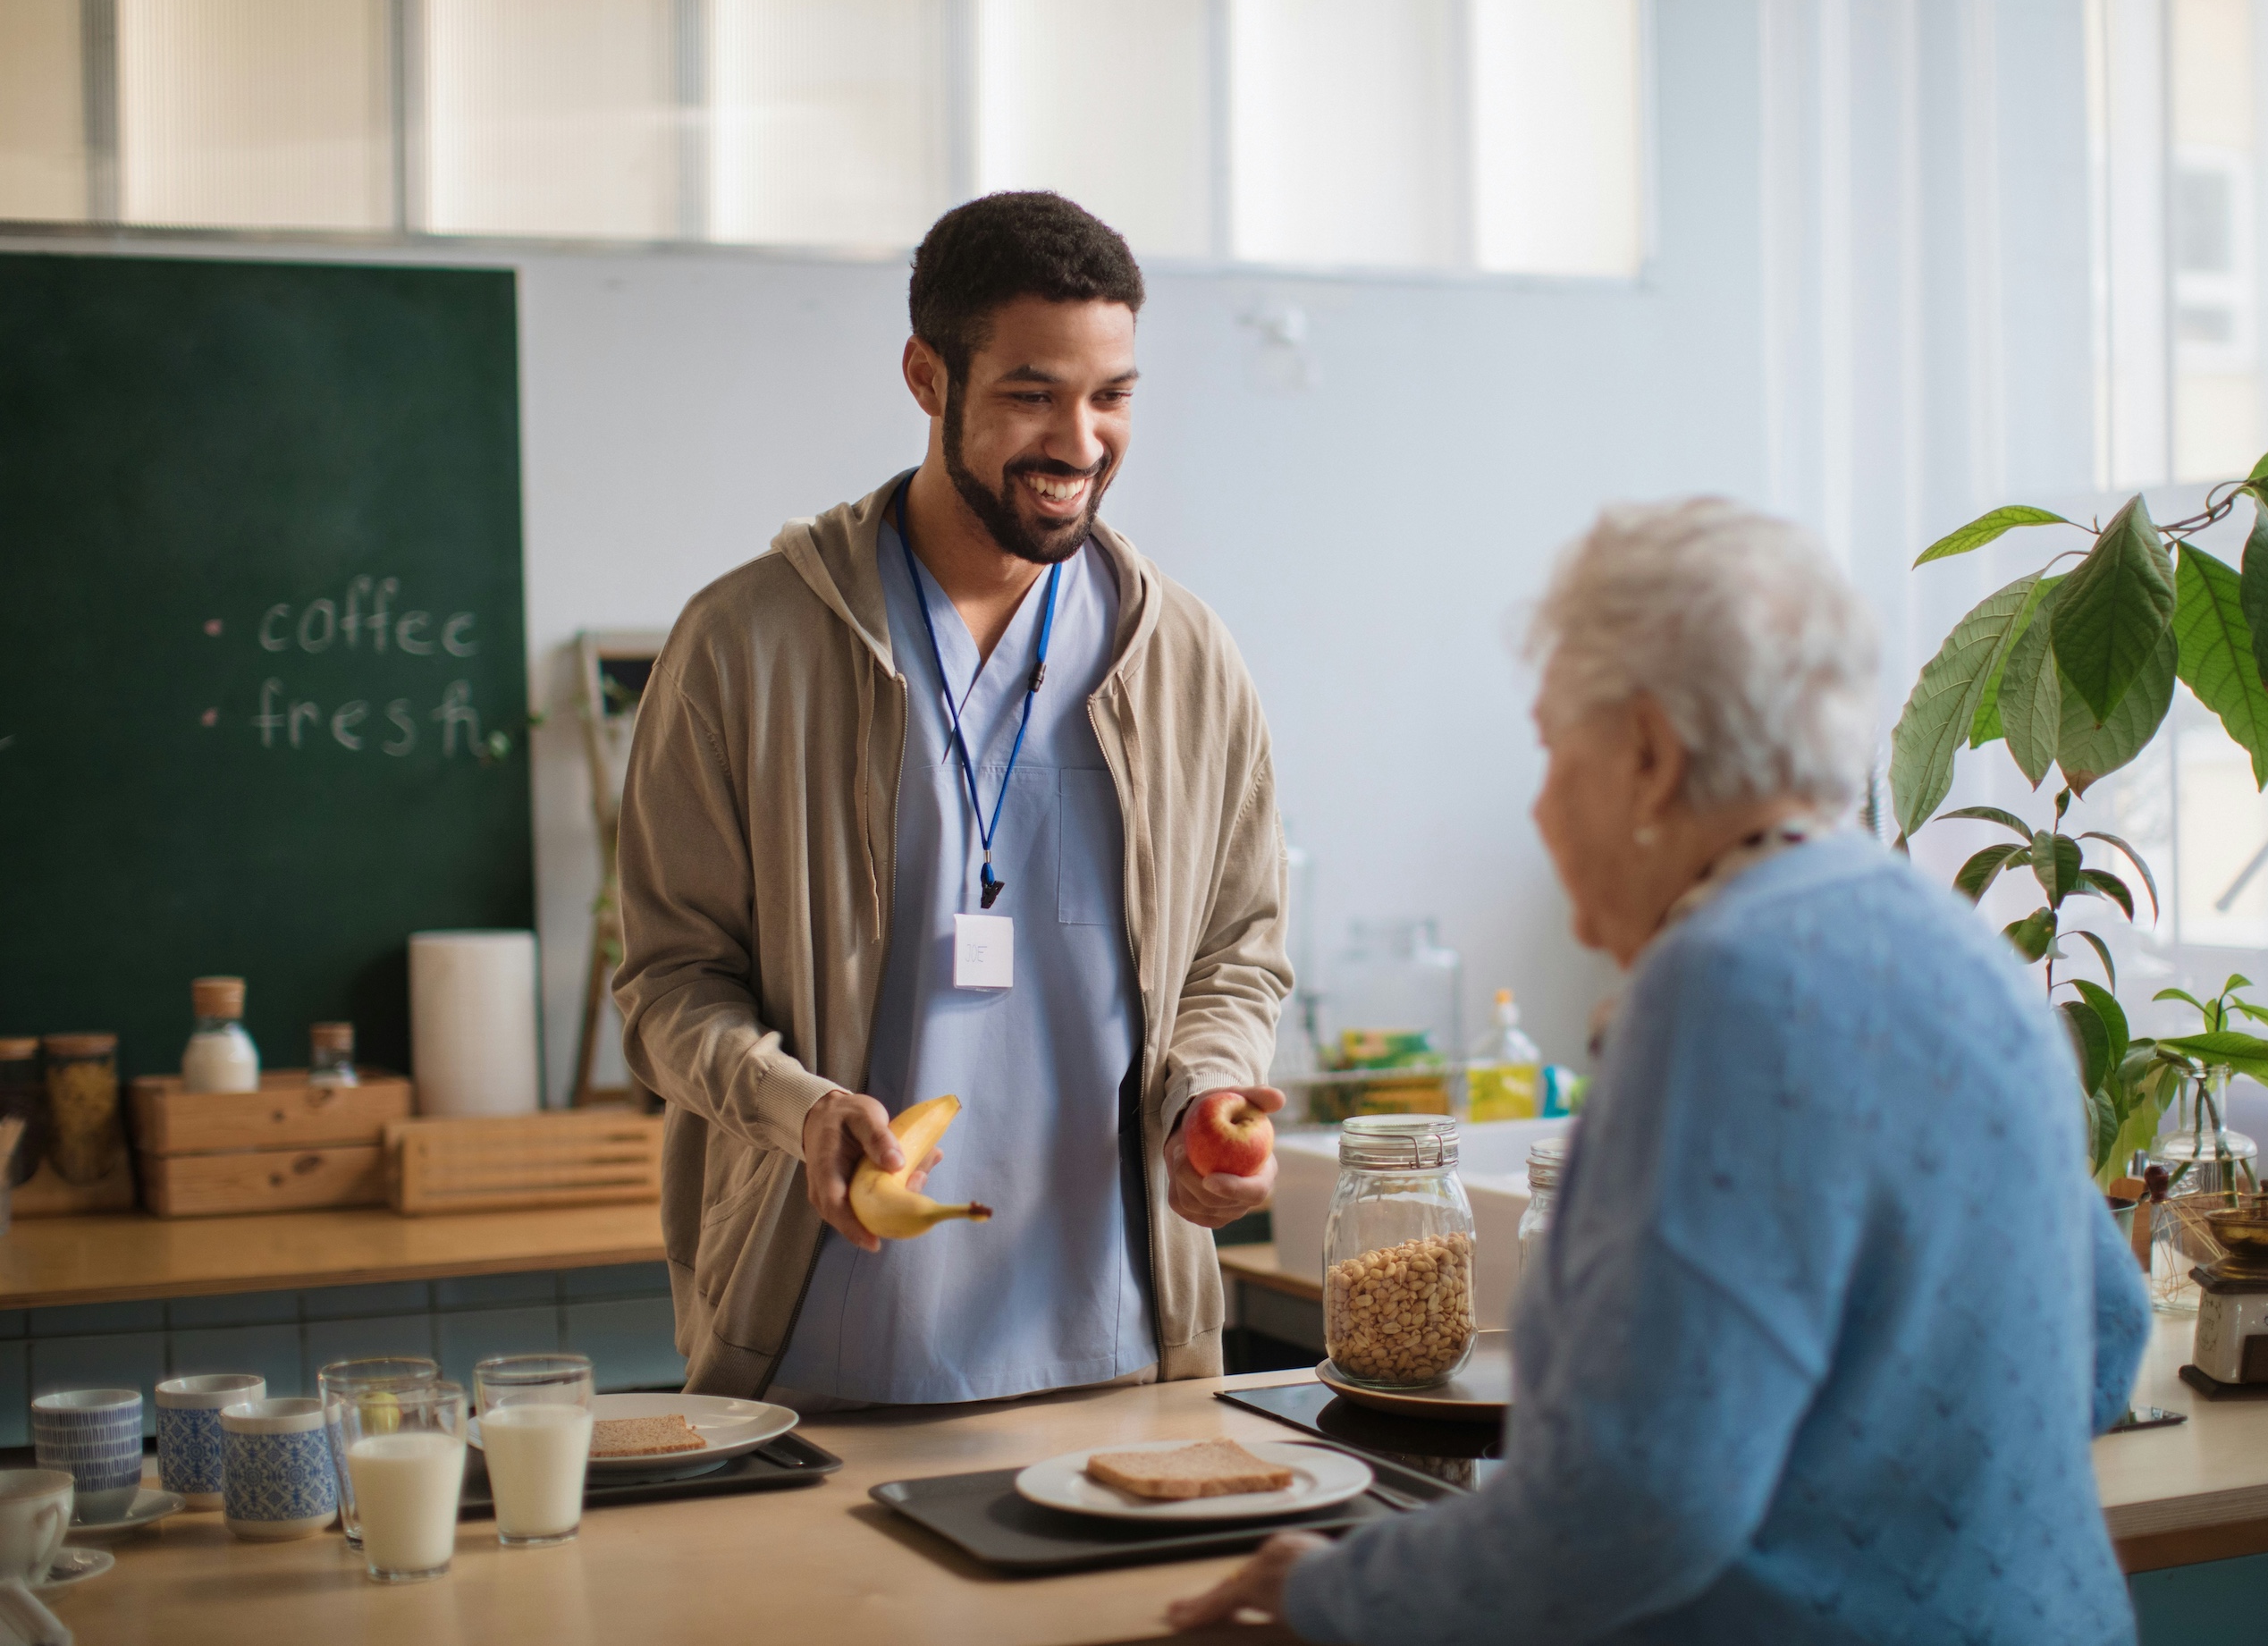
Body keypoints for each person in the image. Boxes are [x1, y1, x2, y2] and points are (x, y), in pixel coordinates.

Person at [1171, 500, 2148, 1643]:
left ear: (1648, 752)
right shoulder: (1960, 953)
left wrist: (1337, 1590)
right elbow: (2108, 1330)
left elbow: (1633, 1508)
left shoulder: (1723, 986)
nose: (1537, 805)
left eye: (1551, 748)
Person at [613, 192, 1291, 1407]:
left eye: (1111, 395)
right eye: (1032, 393)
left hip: (1122, 1346)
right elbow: (667, 985)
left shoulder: (1183, 656)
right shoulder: (740, 645)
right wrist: (797, 1108)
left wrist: (1206, 1086)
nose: (1079, 441)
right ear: (928, 377)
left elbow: (1237, 949)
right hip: (824, 1353)